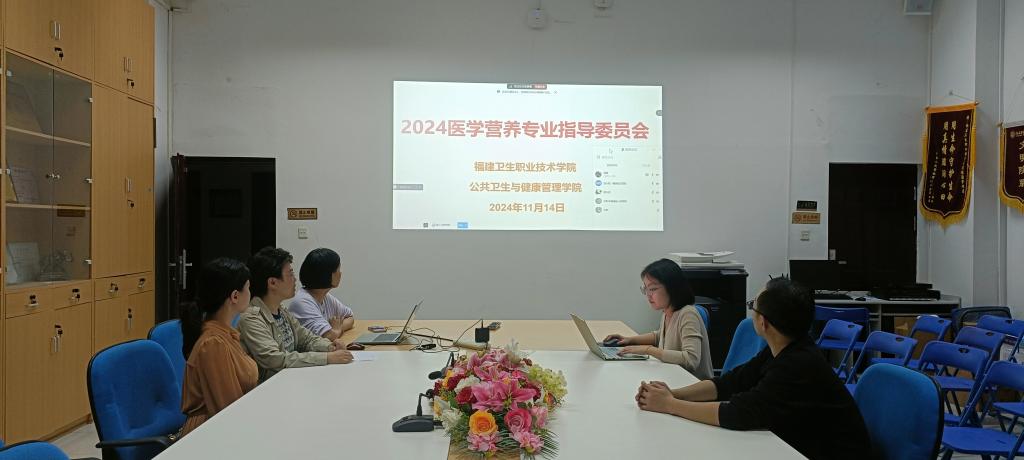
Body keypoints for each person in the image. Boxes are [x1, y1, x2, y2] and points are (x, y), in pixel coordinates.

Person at [634, 277, 871, 460]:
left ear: (763, 322)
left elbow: (739, 413)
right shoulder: (785, 347)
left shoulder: (798, 366)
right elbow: (731, 382)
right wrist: (673, 394)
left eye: (752, 306)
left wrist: (670, 405)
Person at [238, 247, 354, 382]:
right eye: (290, 274)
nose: (295, 280)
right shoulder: (252, 318)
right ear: (272, 283)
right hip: (270, 386)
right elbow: (275, 359)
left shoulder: (281, 310)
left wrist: (330, 346)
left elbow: (306, 339)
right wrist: (327, 357)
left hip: (290, 380)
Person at [179, 258, 257, 436]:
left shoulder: (226, 333)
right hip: (208, 433)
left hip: (226, 426)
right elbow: (228, 411)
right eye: (248, 288)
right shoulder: (213, 344)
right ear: (235, 296)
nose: (250, 293)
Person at [603, 258, 713, 380]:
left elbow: (691, 360)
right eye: (646, 289)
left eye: (653, 289)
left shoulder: (688, 314)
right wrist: (629, 339)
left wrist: (648, 350)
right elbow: (660, 336)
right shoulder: (667, 312)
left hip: (693, 385)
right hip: (671, 377)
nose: (648, 295)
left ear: (672, 288)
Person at [289, 248, 355, 340]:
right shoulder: (302, 302)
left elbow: (350, 318)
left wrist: (337, 328)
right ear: (326, 274)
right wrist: (335, 330)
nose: (340, 273)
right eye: (338, 269)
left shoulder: (325, 296)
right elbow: (328, 336)